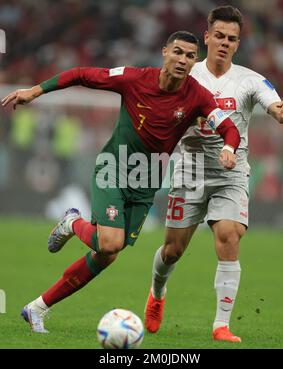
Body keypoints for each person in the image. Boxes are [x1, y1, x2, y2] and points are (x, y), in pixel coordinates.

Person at [2, 31, 241, 333]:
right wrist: (35, 91)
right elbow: (80, 74)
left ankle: (36, 308)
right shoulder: (133, 78)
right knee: (110, 242)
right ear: (164, 51)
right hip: (113, 169)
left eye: (190, 56)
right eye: (177, 52)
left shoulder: (197, 95)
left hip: (148, 180)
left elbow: (229, 128)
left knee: (107, 255)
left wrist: (229, 148)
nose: (182, 60)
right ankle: (72, 223)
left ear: (195, 61)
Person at [144, 6, 283, 343]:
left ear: (237, 43)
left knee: (229, 235)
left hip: (232, 172)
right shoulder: (186, 72)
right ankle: (157, 293)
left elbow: (274, 106)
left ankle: (221, 325)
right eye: (219, 36)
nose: (225, 43)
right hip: (189, 170)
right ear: (207, 37)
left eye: (232, 38)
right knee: (172, 250)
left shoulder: (250, 80)